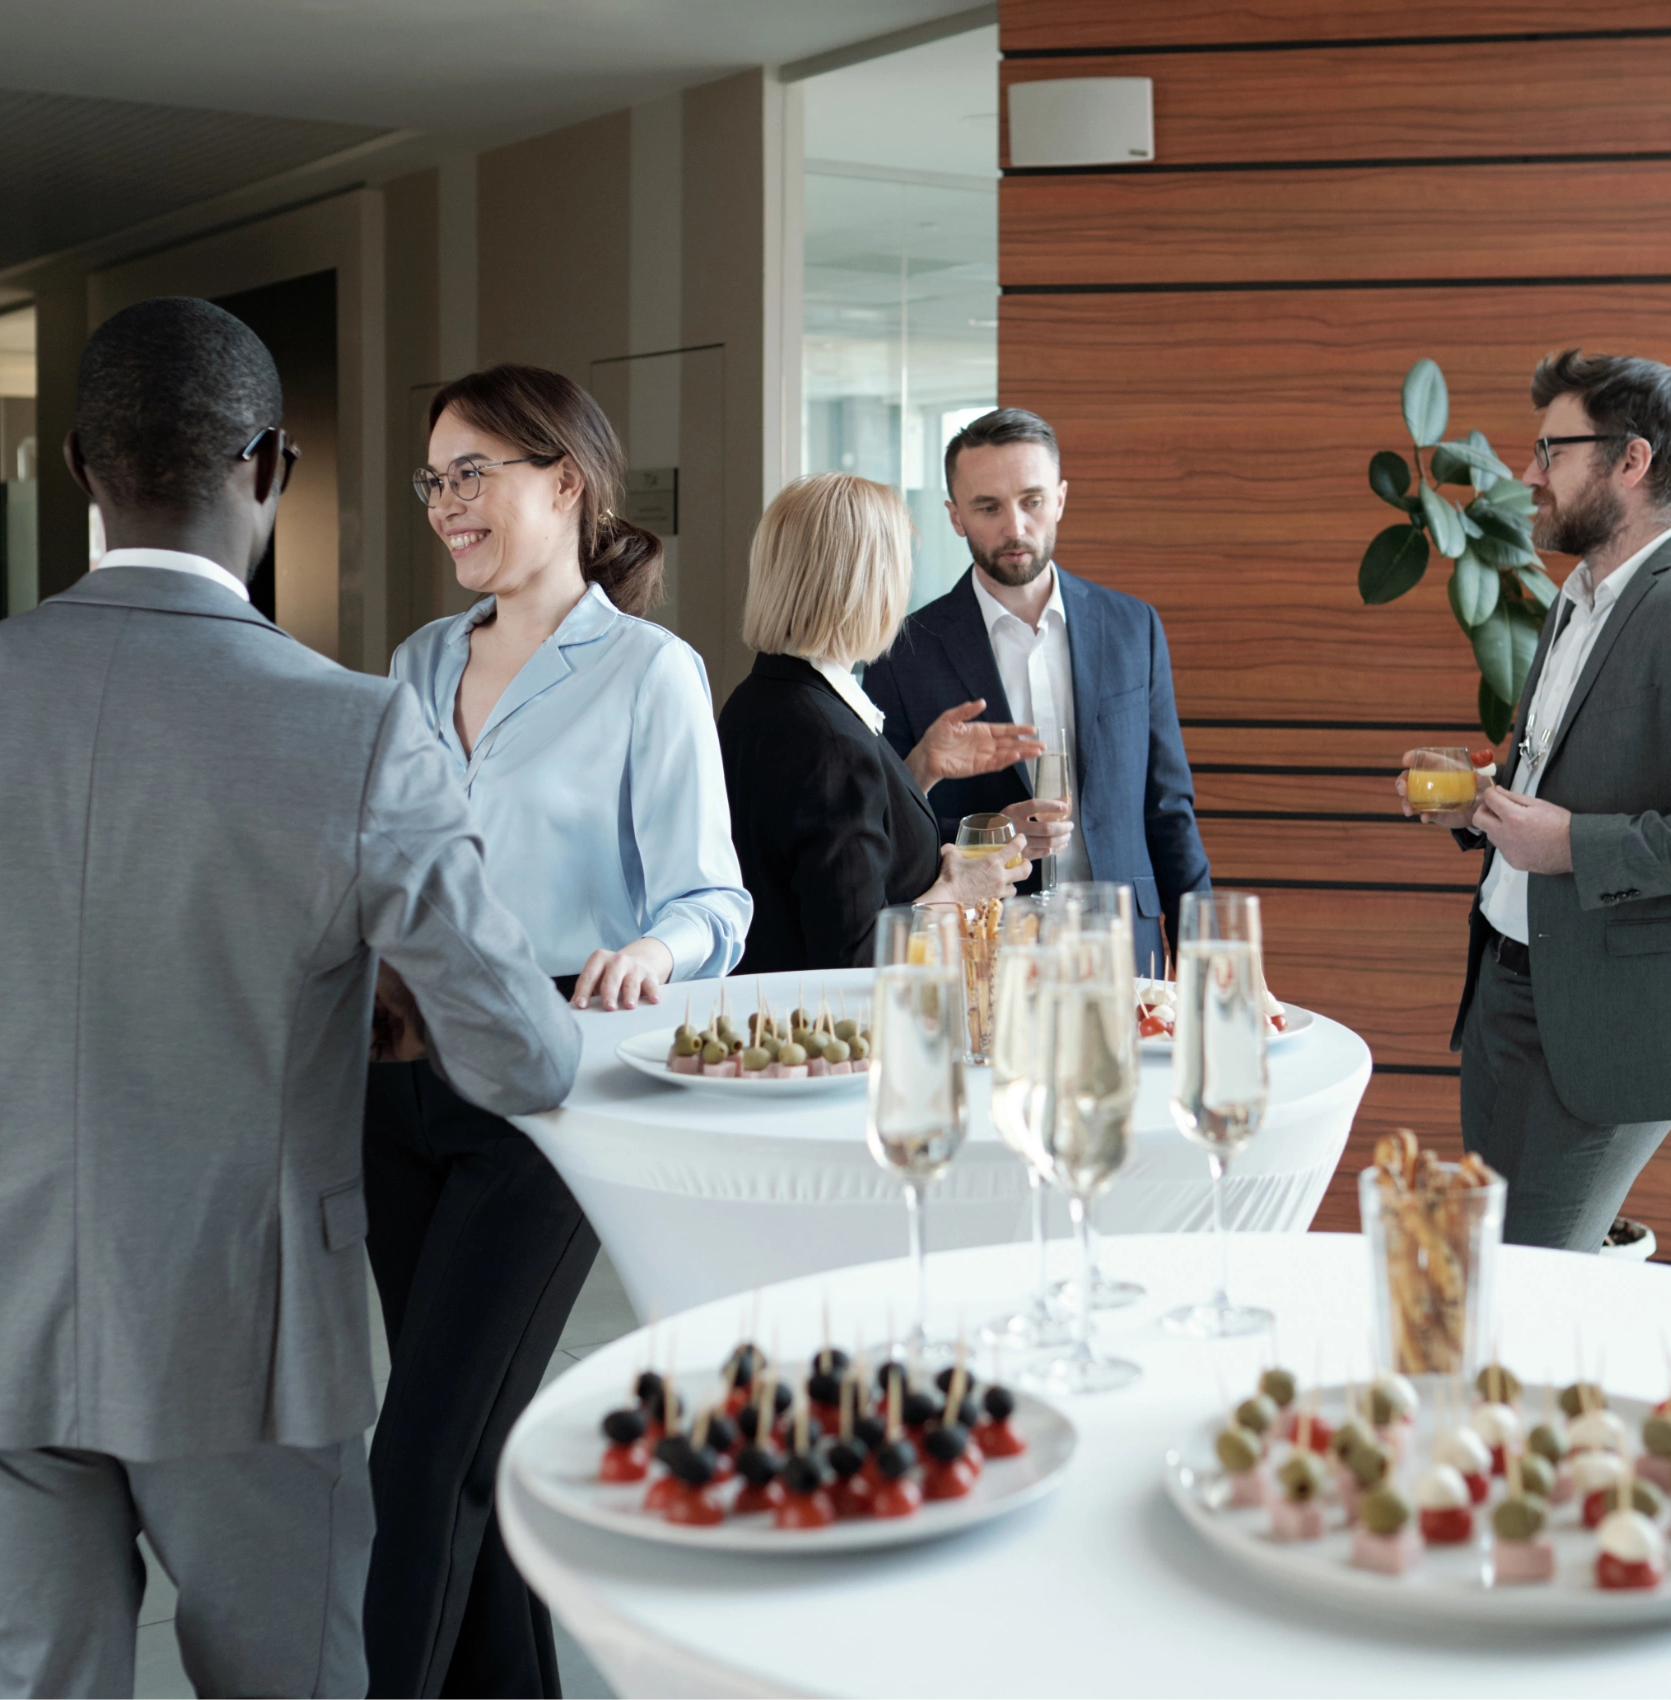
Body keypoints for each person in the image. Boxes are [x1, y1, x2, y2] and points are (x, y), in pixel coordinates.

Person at [0, 299, 579, 1699]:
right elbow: (521, 1055)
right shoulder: (355, 726)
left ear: (78, 467)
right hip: (248, 1330)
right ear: (272, 465)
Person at [369, 362, 751, 1699]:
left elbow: (712, 900)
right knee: (468, 1452)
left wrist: (654, 948)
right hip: (395, 1086)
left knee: (414, 1459)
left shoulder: (649, 672)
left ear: (565, 481)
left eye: (473, 471)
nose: (446, 504)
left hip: (539, 1099)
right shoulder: (420, 661)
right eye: (434, 478)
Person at [1400, 349, 1671, 1251]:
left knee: (1539, 1298)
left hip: (1607, 1026)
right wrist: (1480, 802)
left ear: (1630, 462)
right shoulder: (1577, 598)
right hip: (1508, 991)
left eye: (1551, 450)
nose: (1528, 473)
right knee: (1494, 1274)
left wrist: (1579, 847)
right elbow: (1558, 778)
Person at [863, 406, 1208, 974]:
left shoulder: (1133, 627)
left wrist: (1207, 952)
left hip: (1123, 947)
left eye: (1032, 501)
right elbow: (887, 832)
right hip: (983, 950)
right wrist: (995, 833)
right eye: (988, 507)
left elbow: (1169, 809)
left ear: (1061, 499)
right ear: (955, 516)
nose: (1015, 527)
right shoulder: (901, 651)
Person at [720, 472, 1050, 972]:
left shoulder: (761, 698)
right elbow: (856, 951)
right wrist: (960, 890)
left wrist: (916, 771)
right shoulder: (829, 736)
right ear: (867, 583)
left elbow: (828, 851)